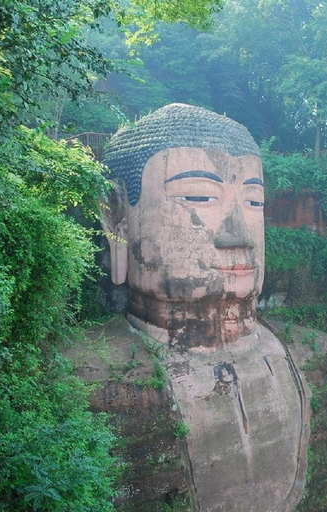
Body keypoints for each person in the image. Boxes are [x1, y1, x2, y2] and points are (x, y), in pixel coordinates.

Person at [101, 103, 305, 511]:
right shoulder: (93, 392)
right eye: (200, 196)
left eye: (253, 202)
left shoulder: (318, 360)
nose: (237, 232)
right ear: (117, 216)